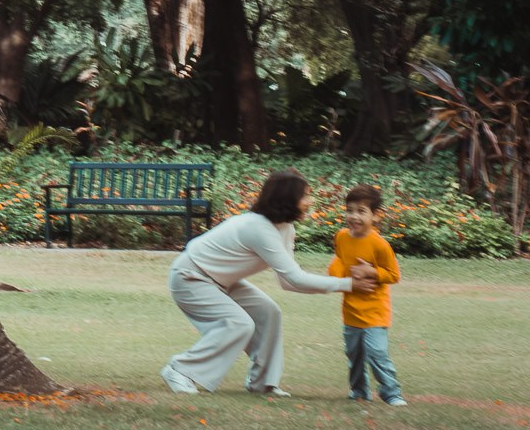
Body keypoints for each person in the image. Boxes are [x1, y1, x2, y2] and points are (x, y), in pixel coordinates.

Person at [161, 169, 377, 398]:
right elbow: (295, 278)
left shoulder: (286, 228)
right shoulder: (258, 228)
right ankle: (180, 370)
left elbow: (288, 282)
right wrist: (348, 284)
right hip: (190, 277)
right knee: (238, 323)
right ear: (287, 200)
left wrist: (345, 284)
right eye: (305, 195)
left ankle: (262, 383)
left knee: (269, 312)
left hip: (220, 281)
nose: (310, 201)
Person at [327, 183, 406, 405]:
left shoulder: (380, 245)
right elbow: (339, 261)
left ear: (376, 216)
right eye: (350, 210)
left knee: (377, 353)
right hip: (351, 311)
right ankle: (359, 391)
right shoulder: (341, 236)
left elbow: (393, 275)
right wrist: (337, 275)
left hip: (375, 313)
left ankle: (391, 392)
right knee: (354, 355)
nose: (354, 216)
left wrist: (372, 271)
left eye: (361, 211)